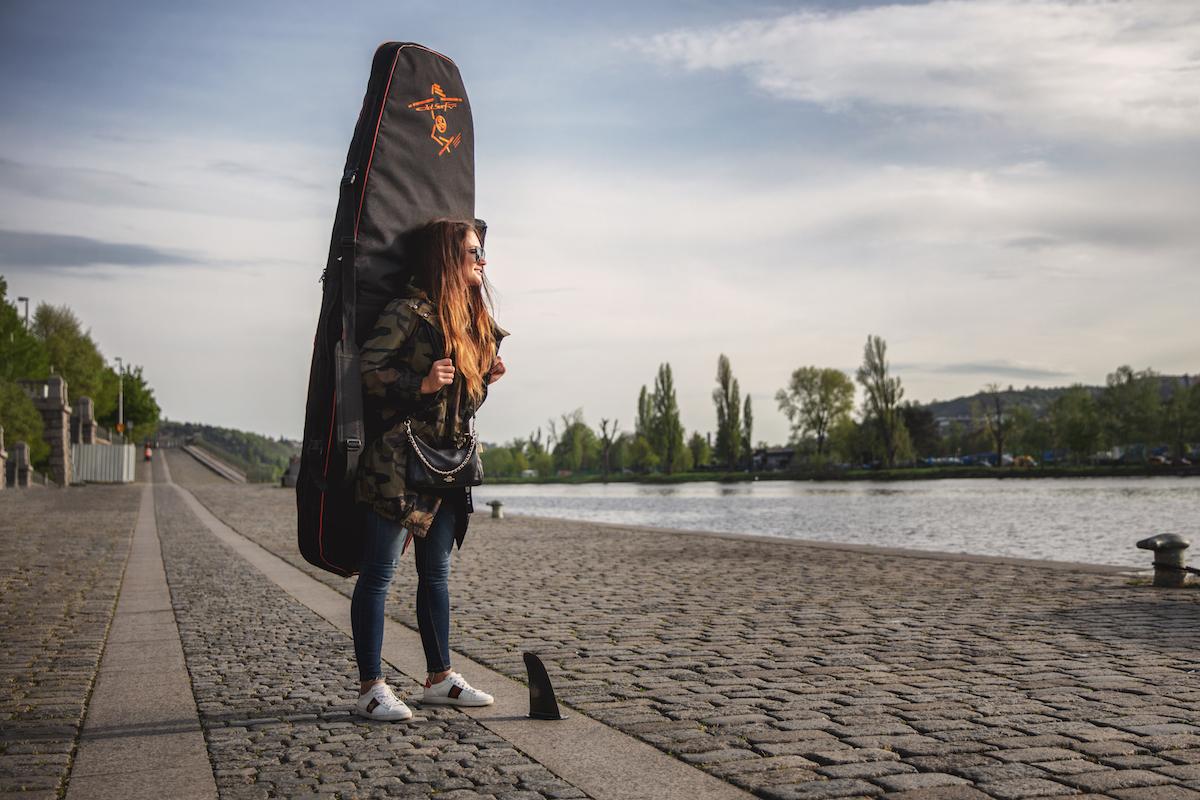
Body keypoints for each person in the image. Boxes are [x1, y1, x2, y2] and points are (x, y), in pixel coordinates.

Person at [351, 218, 509, 721]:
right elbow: (366, 371)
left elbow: (464, 406)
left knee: (435, 573)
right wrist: (416, 383)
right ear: (447, 258)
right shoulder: (408, 311)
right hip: (396, 462)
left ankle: (439, 678)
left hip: (448, 463)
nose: (482, 260)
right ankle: (371, 687)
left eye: (482, 251)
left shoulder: (471, 322)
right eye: (472, 251)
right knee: (379, 573)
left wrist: (482, 376)